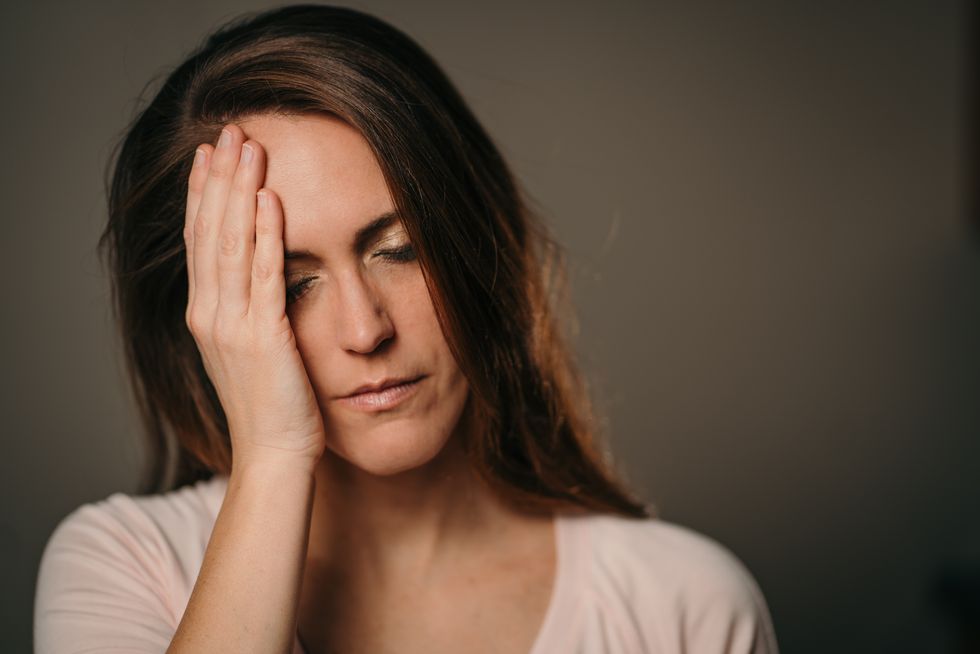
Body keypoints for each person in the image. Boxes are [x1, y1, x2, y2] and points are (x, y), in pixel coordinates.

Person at [33, 5, 779, 653]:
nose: (366, 329)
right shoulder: (125, 565)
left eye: (400, 250)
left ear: (478, 244)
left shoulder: (682, 603)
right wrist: (272, 456)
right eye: (290, 286)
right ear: (206, 316)